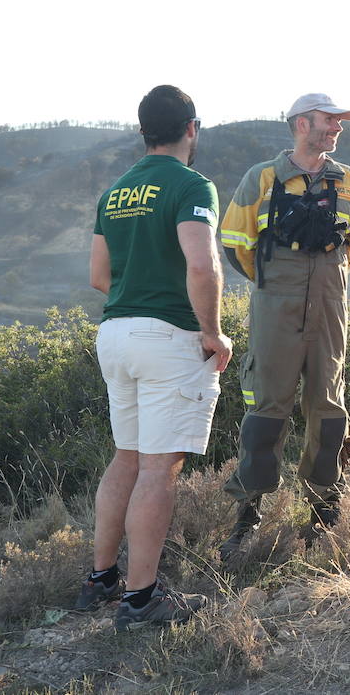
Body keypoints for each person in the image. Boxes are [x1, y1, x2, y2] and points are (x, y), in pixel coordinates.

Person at [76, 84, 233, 630]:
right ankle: (141, 599)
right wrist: (213, 331)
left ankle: (101, 579)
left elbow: (99, 277)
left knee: (127, 457)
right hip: (168, 338)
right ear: (192, 129)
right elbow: (202, 263)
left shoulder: (115, 192)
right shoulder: (193, 185)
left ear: (145, 132)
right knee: (159, 468)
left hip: (116, 332)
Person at [216, 93, 350, 558]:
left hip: (329, 304)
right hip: (275, 305)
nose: (337, 128)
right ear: (302, 124)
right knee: (268, 405)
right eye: (329, 120)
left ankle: (324, 508)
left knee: (328, 405)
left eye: (339, 121)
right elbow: (236, 243)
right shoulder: (261, 178)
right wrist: (275, 283)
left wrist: (326, 279)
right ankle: (249, 510)